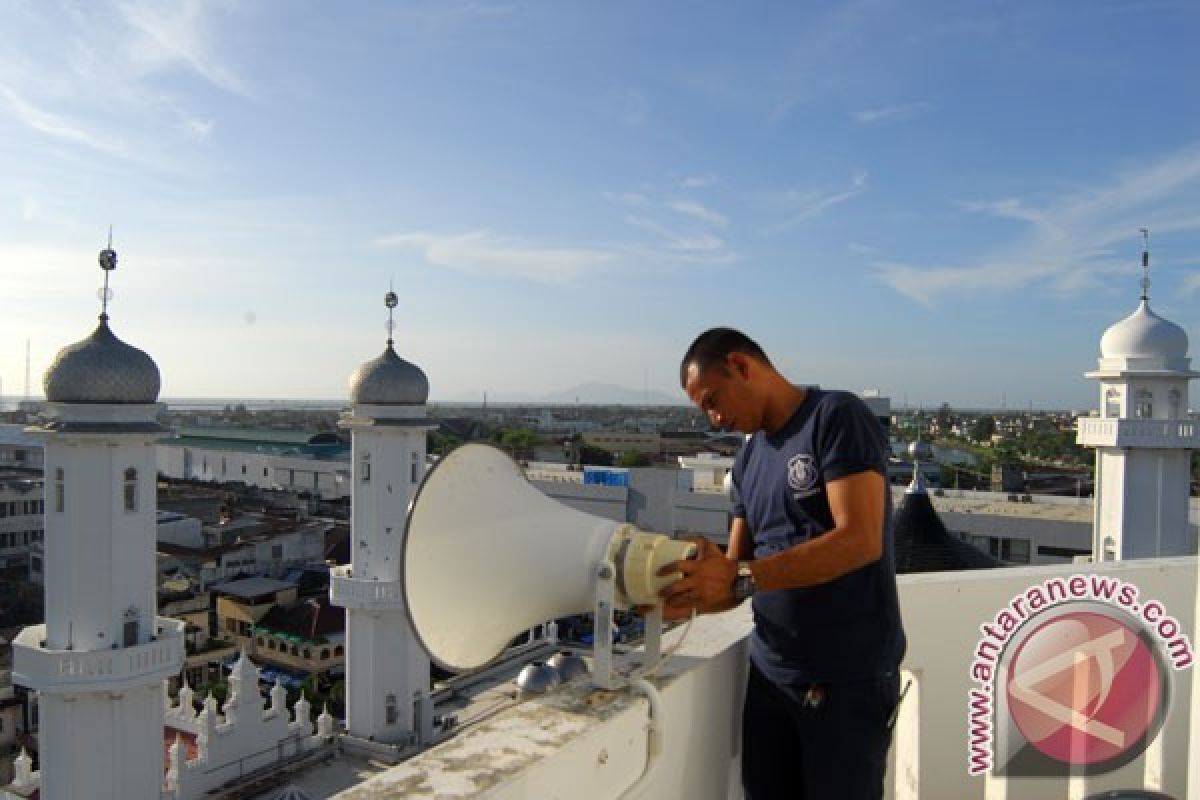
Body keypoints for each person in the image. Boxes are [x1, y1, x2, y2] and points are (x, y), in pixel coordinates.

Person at [661, 327, 906, 800]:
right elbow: (736, 572)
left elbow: (859, 540)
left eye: (713, 399)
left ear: (741, 366)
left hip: (845, 678)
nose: (715, 418)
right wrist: (684, 596)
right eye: (704, 410)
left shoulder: (835, 416)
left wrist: (741, 576)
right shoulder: (749, 461)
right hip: (772, 676)